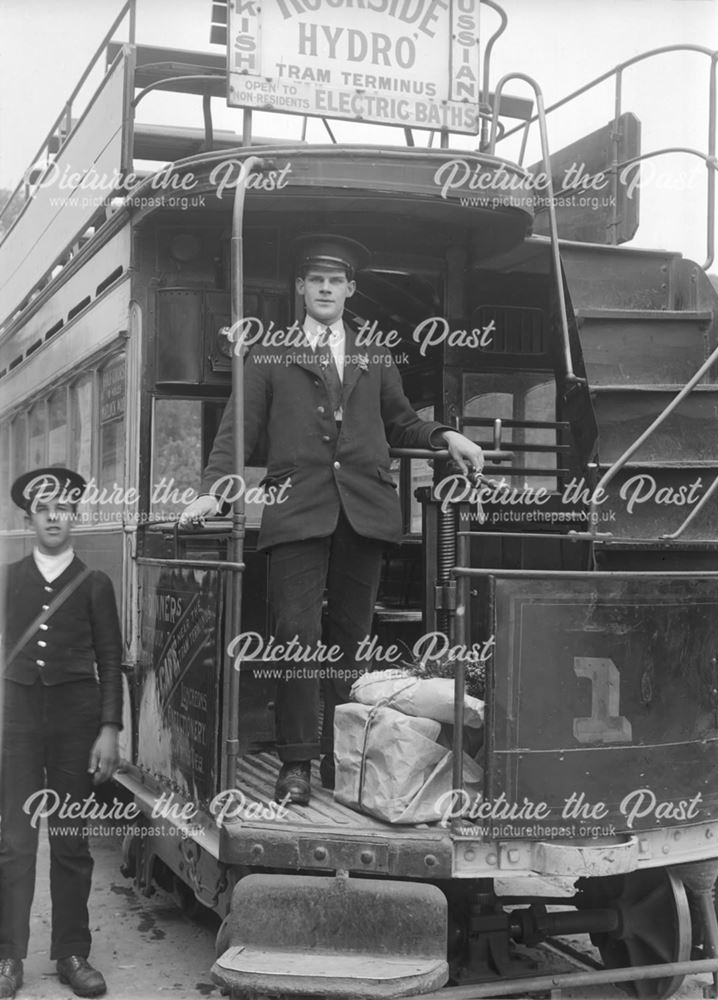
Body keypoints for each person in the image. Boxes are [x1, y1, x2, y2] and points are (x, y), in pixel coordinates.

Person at [180, 234, 484, 805]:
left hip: (364, 513)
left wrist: (446, 435)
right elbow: (235, 433)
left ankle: (338, 758)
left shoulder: (373, 352)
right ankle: (295, 764)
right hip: (295, 512)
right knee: (297, 638)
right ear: (301, 288)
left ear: (349, 290)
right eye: (314, 280)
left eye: (335, 281)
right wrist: (213, 494)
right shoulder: (267, 354)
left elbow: (400, 423)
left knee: (349, 639)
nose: (324, 288)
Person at [0, 468, 123, 999]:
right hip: (18, 718)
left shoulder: (96, 584)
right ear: (28, 518)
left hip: (77, 718)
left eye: (63, 508)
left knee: (72, 842)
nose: (53, 516)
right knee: (14, 843)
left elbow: (111, 659)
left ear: (75, 516)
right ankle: (8, 956)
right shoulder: (7, 579)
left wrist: (110, 730)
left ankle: (72, 953)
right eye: (43, 508)